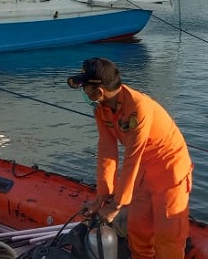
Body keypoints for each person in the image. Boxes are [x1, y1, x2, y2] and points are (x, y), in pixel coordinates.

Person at [67, 57, 193, 259]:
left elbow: (131, 157)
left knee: (168, 236)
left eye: (85, 88)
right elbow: (107, 152)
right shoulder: (102, 110)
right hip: (143, 170)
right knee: (138, 229)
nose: (84, 92)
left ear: (99, 92)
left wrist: (117, 205)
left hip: (170, 170)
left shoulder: (138, 107)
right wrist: (103, 196)